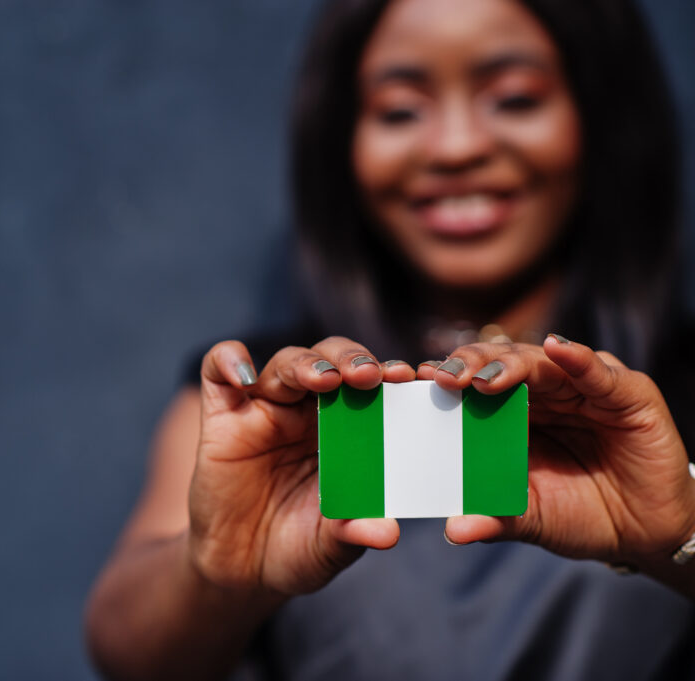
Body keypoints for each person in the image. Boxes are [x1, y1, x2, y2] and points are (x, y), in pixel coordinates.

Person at [86, 0, 695, 678]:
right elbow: (126, 652)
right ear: (344, 140)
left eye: (516, 99)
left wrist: (681, 532)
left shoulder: (672, 386)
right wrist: (215, 572)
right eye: (401, 110)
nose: (456, 147)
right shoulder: (261, 403)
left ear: (601, 114)